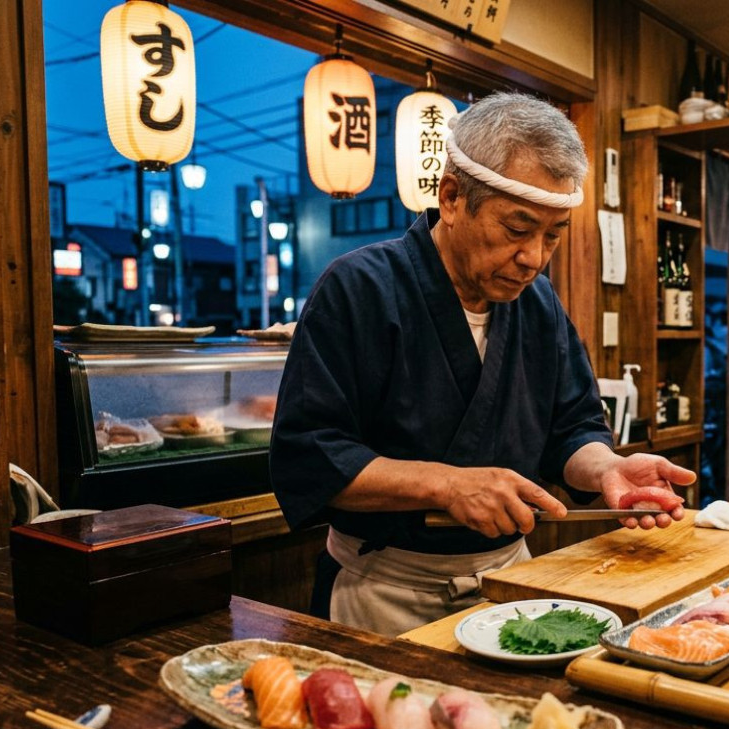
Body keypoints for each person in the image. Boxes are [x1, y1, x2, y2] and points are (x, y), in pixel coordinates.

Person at [270, 94, 696, 636]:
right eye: (517, 230)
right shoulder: (358, 288)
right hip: (382, 588)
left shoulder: (539, 304)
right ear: (451, 197)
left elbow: (571, 428)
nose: (534, 257)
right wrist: (446, 485)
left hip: (511, 584)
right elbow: (310, 455)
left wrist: (606, 468)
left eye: (553, 235)